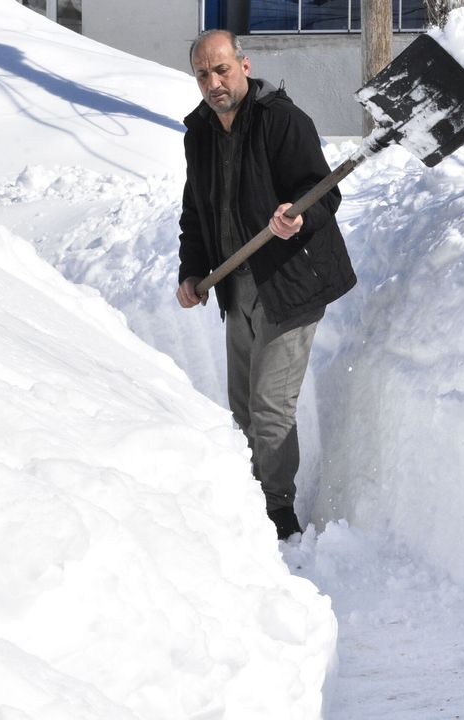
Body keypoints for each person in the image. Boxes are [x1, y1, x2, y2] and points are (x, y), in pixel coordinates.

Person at [176, 29, 356, 540]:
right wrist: (192, 271)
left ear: (245, 65)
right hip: (237, 284)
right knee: (241, 404)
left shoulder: (282, 121)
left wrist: (297, 218)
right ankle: (251, 494)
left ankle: (278, 515)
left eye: (222, 69)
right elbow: (196, 214)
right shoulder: (200, 135)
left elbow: (322, 195)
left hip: (291, 280)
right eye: (203, 74)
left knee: (269, 406)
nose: (214, 82)